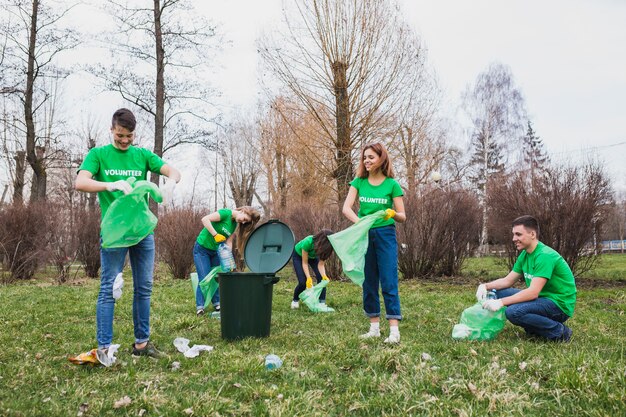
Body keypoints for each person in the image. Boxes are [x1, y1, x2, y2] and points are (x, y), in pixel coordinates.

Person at [75, 108, 181, 358]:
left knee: (143, 287)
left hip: (142, 232)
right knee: (108, 288)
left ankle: (141, 345)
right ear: (111, 130)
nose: (124, 141)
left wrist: (171, 183)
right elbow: (80, 182)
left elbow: (173, 171)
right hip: (114, 235)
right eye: (120, 135)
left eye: (129, 136)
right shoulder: (99, 154)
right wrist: (109, 184)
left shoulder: (142, 155)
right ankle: (103, 349)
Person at [342, 142, 406, 344]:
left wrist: (392, 213)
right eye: (364, 157)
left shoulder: (392, 185)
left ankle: (394, 331)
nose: (366, 161)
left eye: (371, 157)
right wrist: (361, 224)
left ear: (381, 159)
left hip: (386, 234)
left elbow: (403, 216)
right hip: (364, 235)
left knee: (389, 280)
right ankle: (374, 328)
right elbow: (346, 208)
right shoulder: (359, 182)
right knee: (369, 281)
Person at [477, 215, 576, 342]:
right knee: (497, 292)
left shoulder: (544, 256)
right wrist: (485, 286)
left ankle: (560, 332)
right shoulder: (525, 254)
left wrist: (501, 302)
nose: (514, 239)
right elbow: (508, 281)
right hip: (542, 298)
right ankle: (534, 327)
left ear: (532, 234)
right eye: (513, 234)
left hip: (558, 305)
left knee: (513, 312)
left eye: (518, 234)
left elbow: (533, 293)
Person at [193, 206, 261, 315]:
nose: (243, 222)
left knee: (215, 277)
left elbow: (229, 242)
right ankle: (200, 307)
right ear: (244, 211)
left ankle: (217, 303)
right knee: (204, 277)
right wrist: (215, 234)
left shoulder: (234, 224)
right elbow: (205, 219)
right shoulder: (225, 213)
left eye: (245, 222)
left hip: (216, 251)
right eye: (244, 219)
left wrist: (228, 258)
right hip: (202, 249)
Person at [290, 229, 335, 309]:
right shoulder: (308, 241)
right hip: (299, 256)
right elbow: (304, 263)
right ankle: (295, 300)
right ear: (322, 241)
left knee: (322, 279)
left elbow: (321, 264)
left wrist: (324, 276)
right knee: (302, 282)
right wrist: (309, 278)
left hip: (313, 258)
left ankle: (321, 302)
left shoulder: (326, 248)